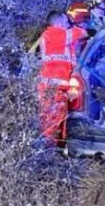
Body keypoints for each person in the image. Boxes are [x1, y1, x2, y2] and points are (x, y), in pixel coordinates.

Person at [35, 10, 87, 145]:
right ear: (58, 23)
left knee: (57, 122)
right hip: (52, 88)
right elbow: (79, 33)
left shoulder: (60, 38)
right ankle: (47, 152)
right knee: (51, 123)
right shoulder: (53, 34)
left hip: (57, 88)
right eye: (66, 21)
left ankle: (55, 150)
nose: (68, 24)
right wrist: (87, 28)